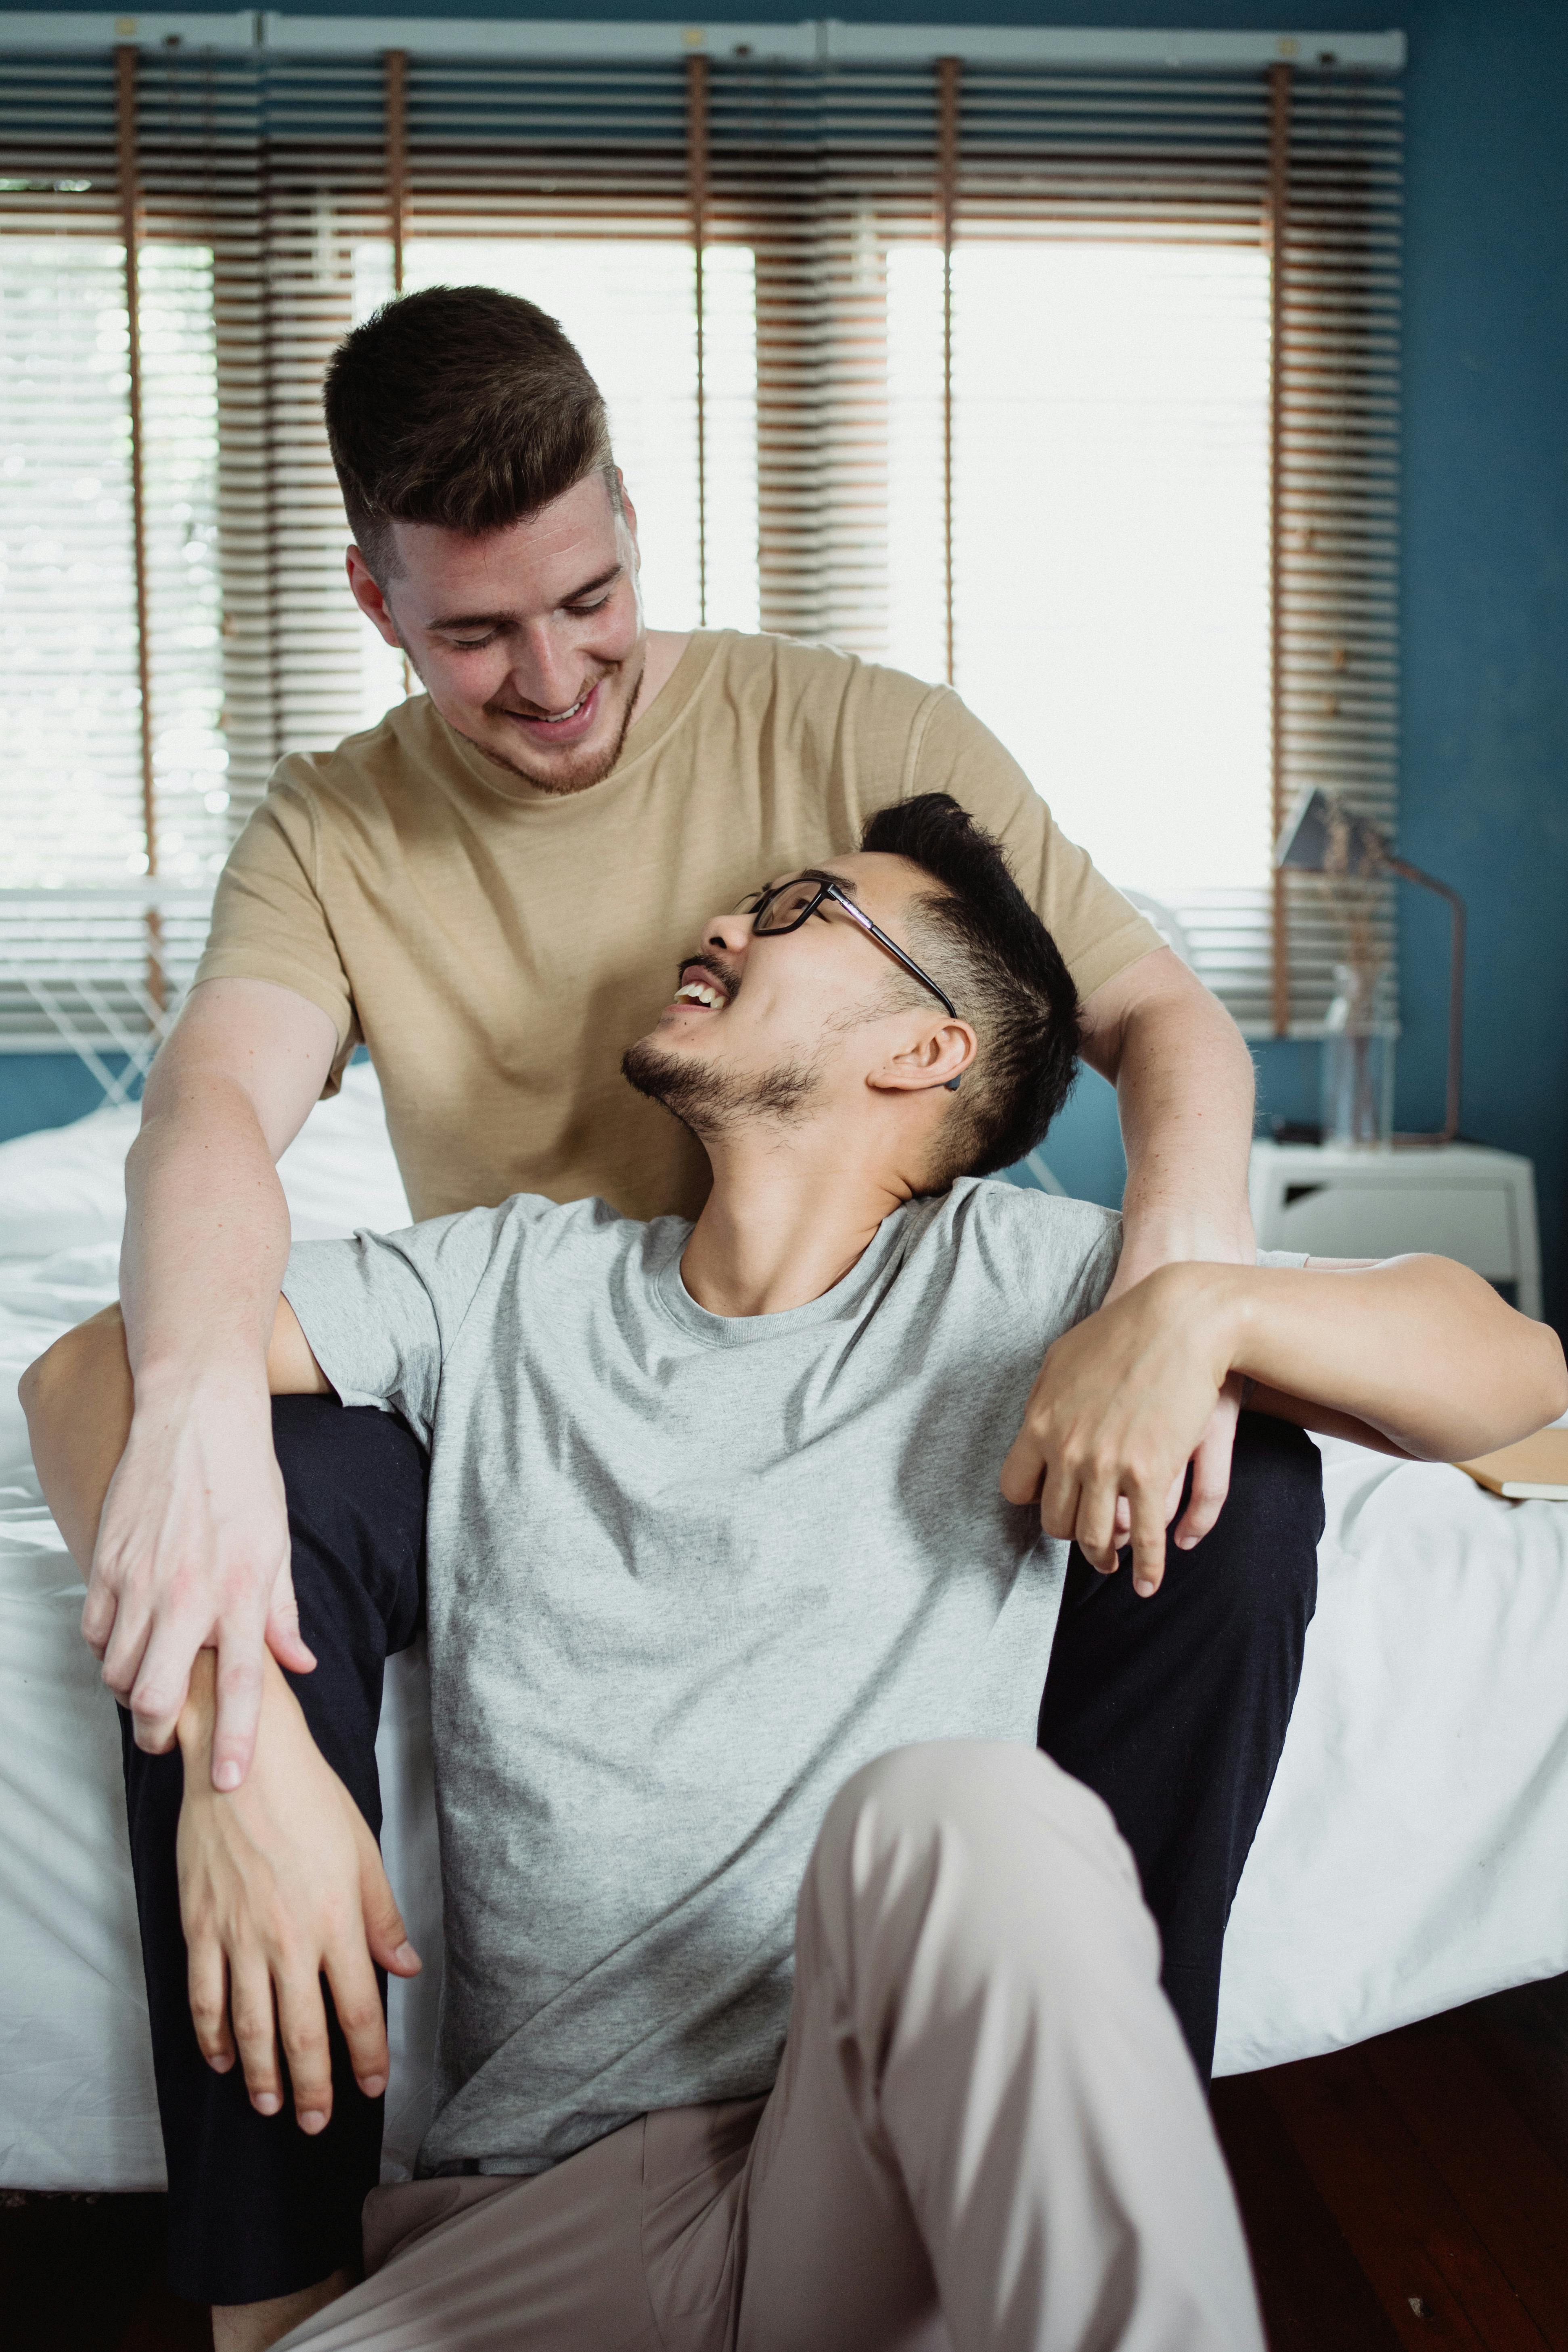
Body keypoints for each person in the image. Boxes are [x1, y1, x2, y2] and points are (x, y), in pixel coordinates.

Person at [62, 279, 1294, 2334]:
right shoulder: (335, 823)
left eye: (591, 597)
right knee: (213, 1530)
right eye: (476, 635)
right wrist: (200, 1484)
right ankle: (261, 2286)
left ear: (633, 515)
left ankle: (1090, 2121)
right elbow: (208, 1114)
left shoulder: (856, 727)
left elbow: (1160, 1012)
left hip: (867, 1319)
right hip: (537, 1356)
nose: (554, 679)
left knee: (1236, 1502)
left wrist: (1164, 1292)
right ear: (378, 602)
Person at [26, 801, 1566, 2352]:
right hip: (523, 2226)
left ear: (924, 1050)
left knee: (973, 1822)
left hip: (863, 2186)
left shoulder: (1034, 1285)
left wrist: (1203, 1315)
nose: (727, 925)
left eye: (805, 908)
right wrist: (248, 1743)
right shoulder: (510, 1283)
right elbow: (91, 1376)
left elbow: (1516, 1374)